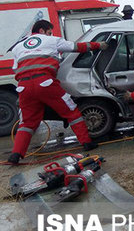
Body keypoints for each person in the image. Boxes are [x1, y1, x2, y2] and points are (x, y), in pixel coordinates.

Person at [7, 20, 108, 165]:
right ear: (42, 30)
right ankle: (87, 143)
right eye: (49, 31)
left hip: (24, 87)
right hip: (46, 83)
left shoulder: (18, 46)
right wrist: (98, 45)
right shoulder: (52, 40)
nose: (51, 34)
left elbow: (16, 69)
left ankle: (15, 155)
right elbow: (77, 47)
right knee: (71, 111)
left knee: (27, 123)